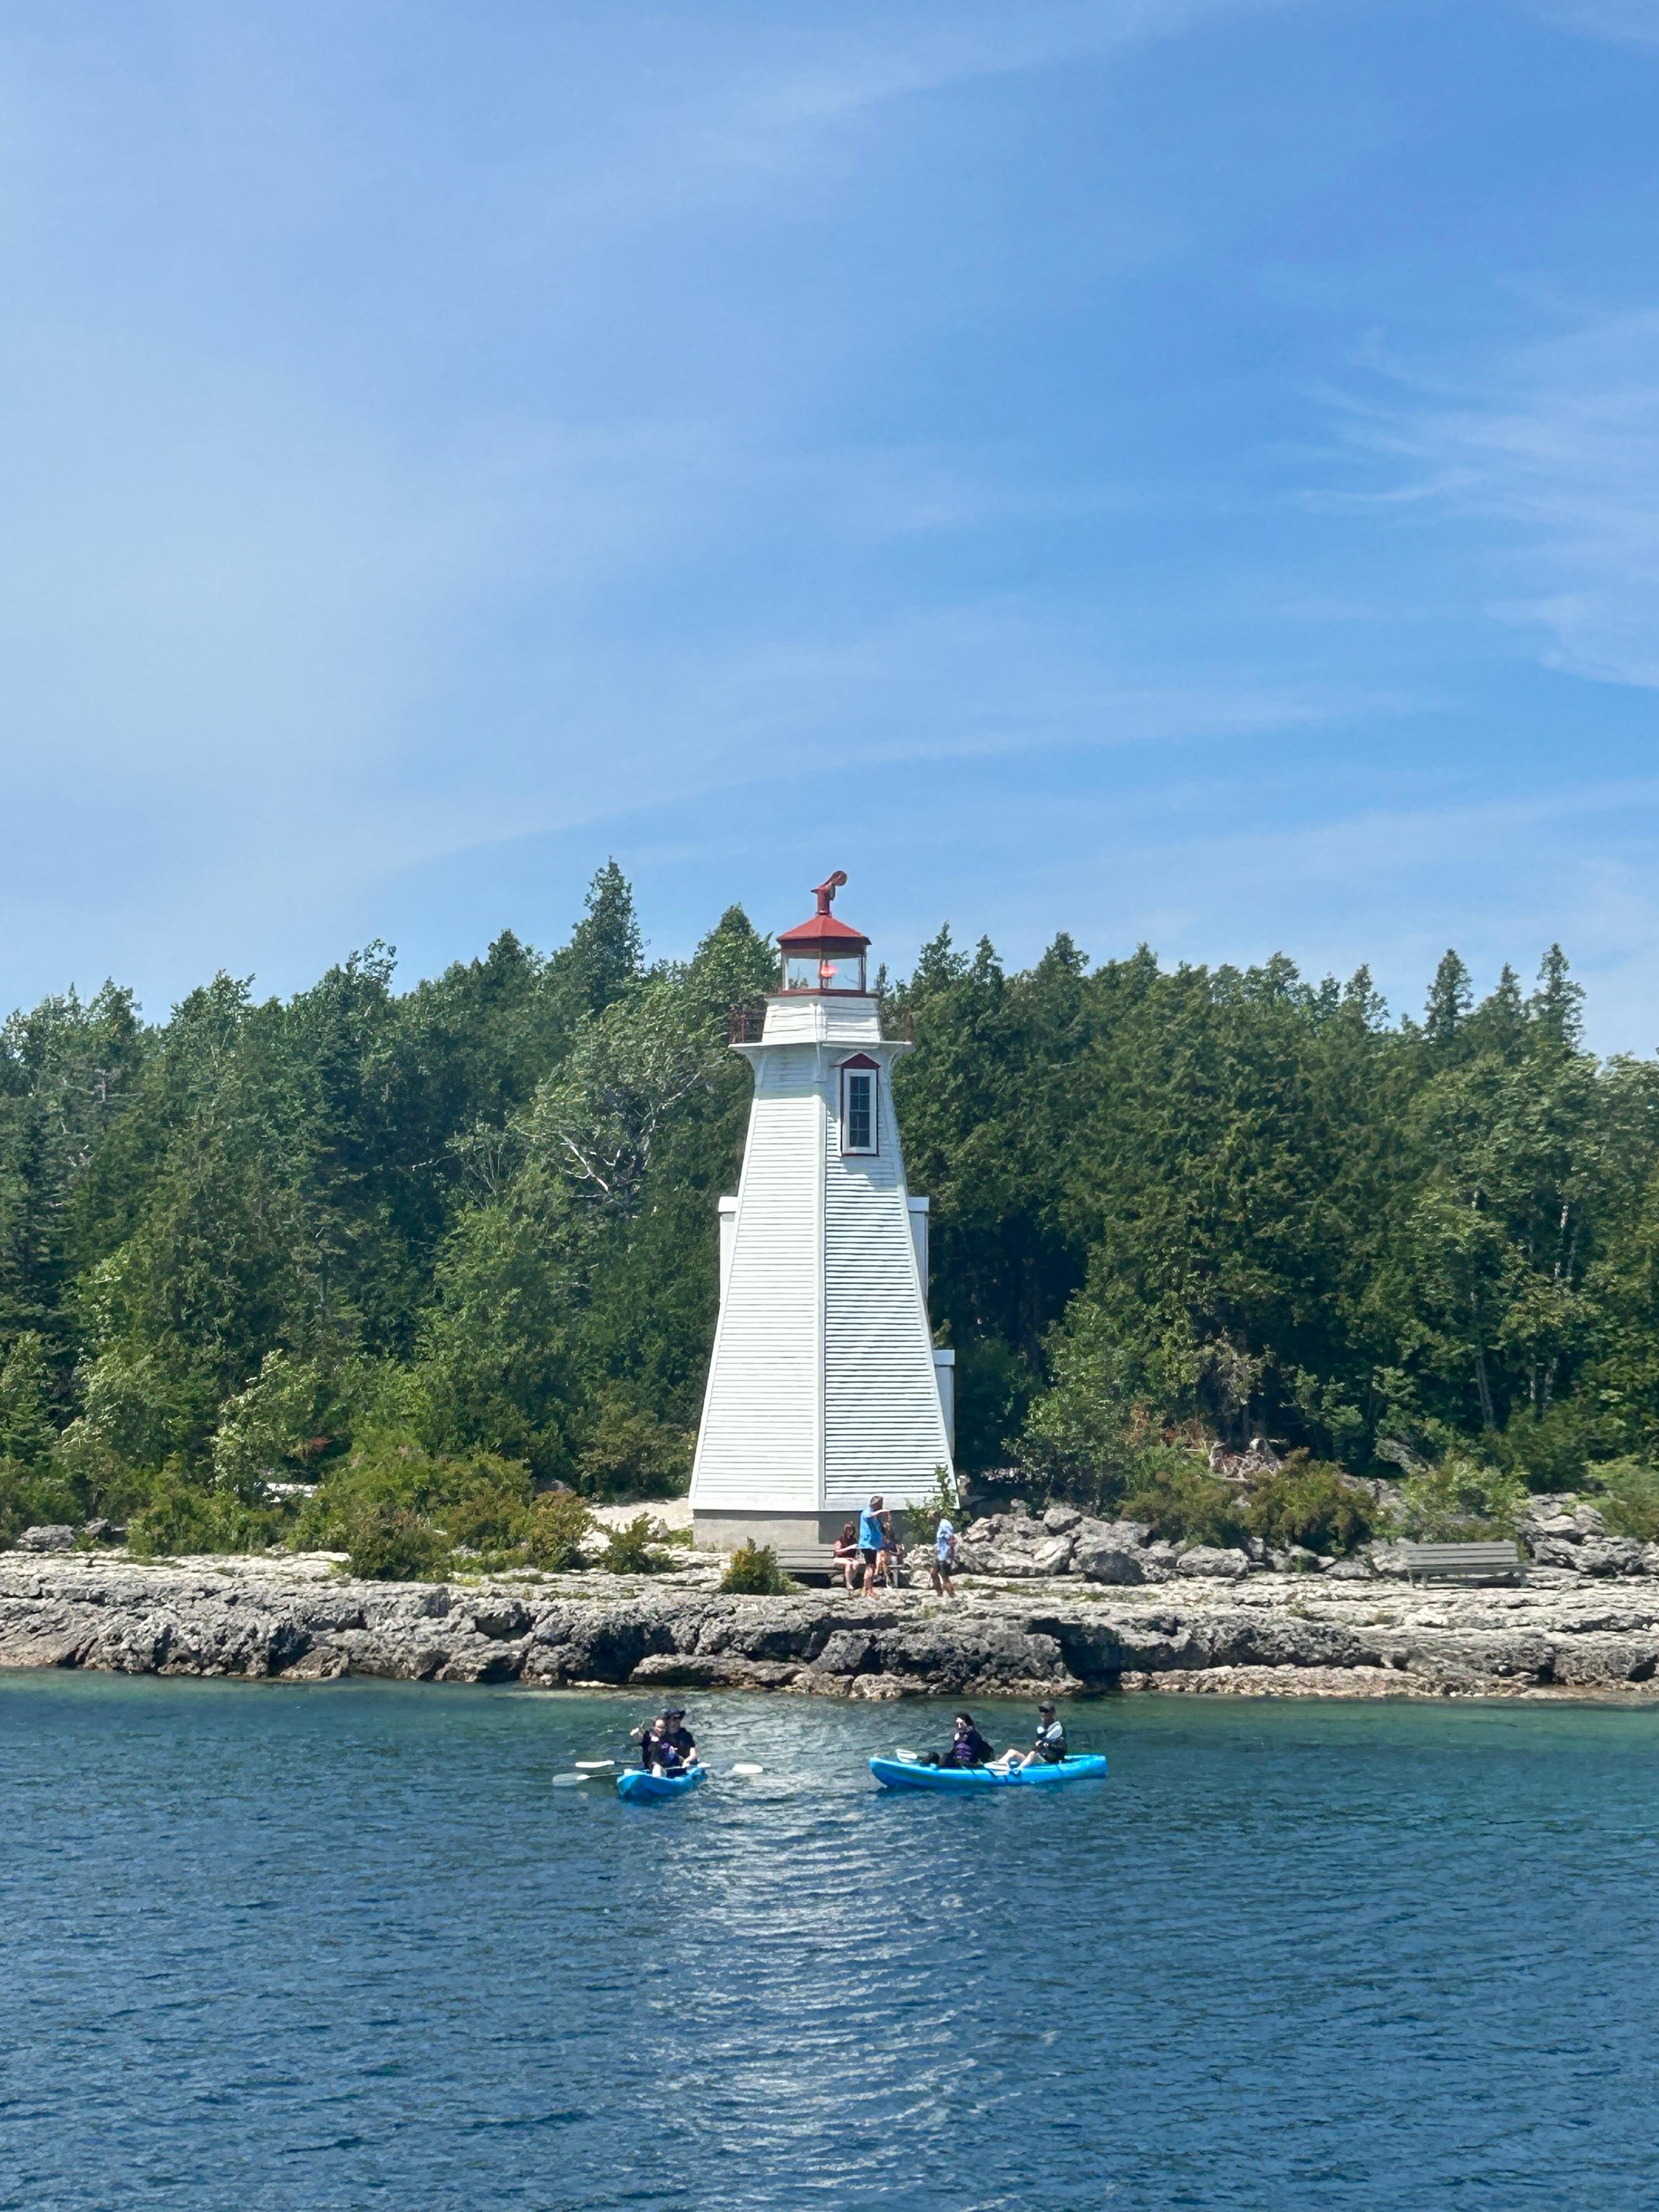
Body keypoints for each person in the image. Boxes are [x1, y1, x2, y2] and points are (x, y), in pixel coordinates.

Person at [996, 1701, 1067, 1771]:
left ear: (1053, 1713)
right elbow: (1039, 1744)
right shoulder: (1041, 1728)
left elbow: (1063, 1748)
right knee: (1012, 1752)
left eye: (1047, 1712)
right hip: (1039, 1759)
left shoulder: (1059, 1729)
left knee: (1032, 1754)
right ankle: (999, 1766)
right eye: (1042, 1711)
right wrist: (1039, 1745)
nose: (1044, 1714)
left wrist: (1049, 1746)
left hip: (1051, 1760)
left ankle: (1018, 1771)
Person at [917, 1712, 996, 1769]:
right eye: (958, 1724)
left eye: (961, 1724)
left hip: (966, 1763)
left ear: (968, 1724)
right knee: (933, 1755)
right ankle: (920, 1765)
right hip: (956, 1761)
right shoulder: (957, 1736)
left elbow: (976, 1746)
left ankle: (938, 1771)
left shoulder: (974, 1735)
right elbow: (955, 1751)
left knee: (946, 1757)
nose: (959, 1726)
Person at [857, 1495, 885, 1593]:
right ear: (876, 1504)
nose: (882, 1506)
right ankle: (868, 1589)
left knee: (871, 1567)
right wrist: (880, 1512)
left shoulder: (875, 1515)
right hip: (868, 1545)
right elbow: (869, 1516)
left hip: (873, 1545)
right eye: (880, 1504)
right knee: (870, 1567)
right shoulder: (867, 1512)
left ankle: (867, 1589)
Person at [831, 1519, 864, 1593]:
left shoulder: (854, 1540)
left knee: (856, 1564)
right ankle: (849, 1584)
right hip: (839, 1558)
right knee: (848, 1564)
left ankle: (849, 1580)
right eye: (849, 1530)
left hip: (850, 1558)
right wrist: (848, 1548)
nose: (850, 1532)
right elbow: (837, 1551)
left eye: (852, 1530)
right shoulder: (841, 1539)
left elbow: (856, 1554)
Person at [877, 1509, 905, 1590]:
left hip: (893, 1558)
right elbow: (880, 1549)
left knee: (884, 1559)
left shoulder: (895, 1542)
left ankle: (886, 1576)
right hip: (885, 1558)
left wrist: (891, 1552)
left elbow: (899, 1553)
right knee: (882, 1558)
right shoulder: (883, 1541)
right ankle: (887, 1576)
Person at [929, 1516, 957, 1597]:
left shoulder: (945, 1525)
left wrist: (950, 1552)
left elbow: (952, 1539)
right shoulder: (939, 1525)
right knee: (933, 1572)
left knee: (945, 1577)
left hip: (945, 1554)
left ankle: (951, 1594)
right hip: (939, 1554)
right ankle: (939, 1592)